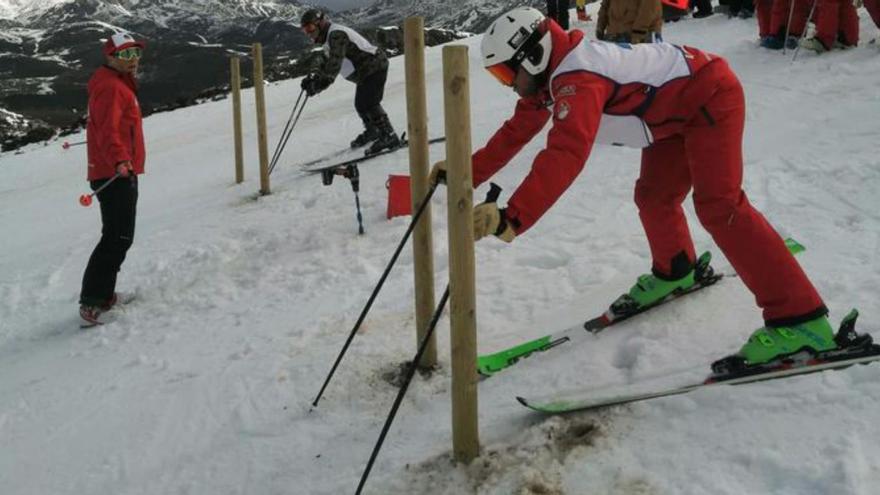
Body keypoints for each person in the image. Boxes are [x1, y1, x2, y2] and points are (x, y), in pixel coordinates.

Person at [431, 7, 838, 371]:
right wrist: (466, 172)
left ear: (532, 54)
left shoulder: (577, 77)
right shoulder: (550, 75)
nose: (510, 85)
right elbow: (516, 132)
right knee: (653, 197)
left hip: (708, 97)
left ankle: (802, 320)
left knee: (720, 205)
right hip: (672, 113)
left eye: (507, 73)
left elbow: (566, 153)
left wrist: (512, 217)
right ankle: (676, 269)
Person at [79, 32, 145, 326]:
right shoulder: (111, 88)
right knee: (116, 237)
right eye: (125, 55)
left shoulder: (114, 82)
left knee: (119, 236)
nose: (133, 61)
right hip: (114, 172)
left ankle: (103, 294)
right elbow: (108, 131)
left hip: (117, 168)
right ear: (110, 57)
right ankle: (92, 301)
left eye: (136, 54)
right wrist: (121, 159)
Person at [298, 9, 401, 156]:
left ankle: (389, 136)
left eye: (310, 28)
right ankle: (374, 131)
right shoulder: (329, 37)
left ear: (320, 23)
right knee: (360, 104)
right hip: (366, 71)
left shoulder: (336, 35)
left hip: (374, 66)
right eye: (305, 30)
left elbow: (334, 64)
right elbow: (326, 60)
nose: (309, 33)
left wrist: (318, 85)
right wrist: (314, 77)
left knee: (370, 102)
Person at [596, 0, 663, 43]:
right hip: (614, 35)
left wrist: (638, 34)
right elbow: (605, 6)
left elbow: (648, 10)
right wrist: (600, 26)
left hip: (639, 36)